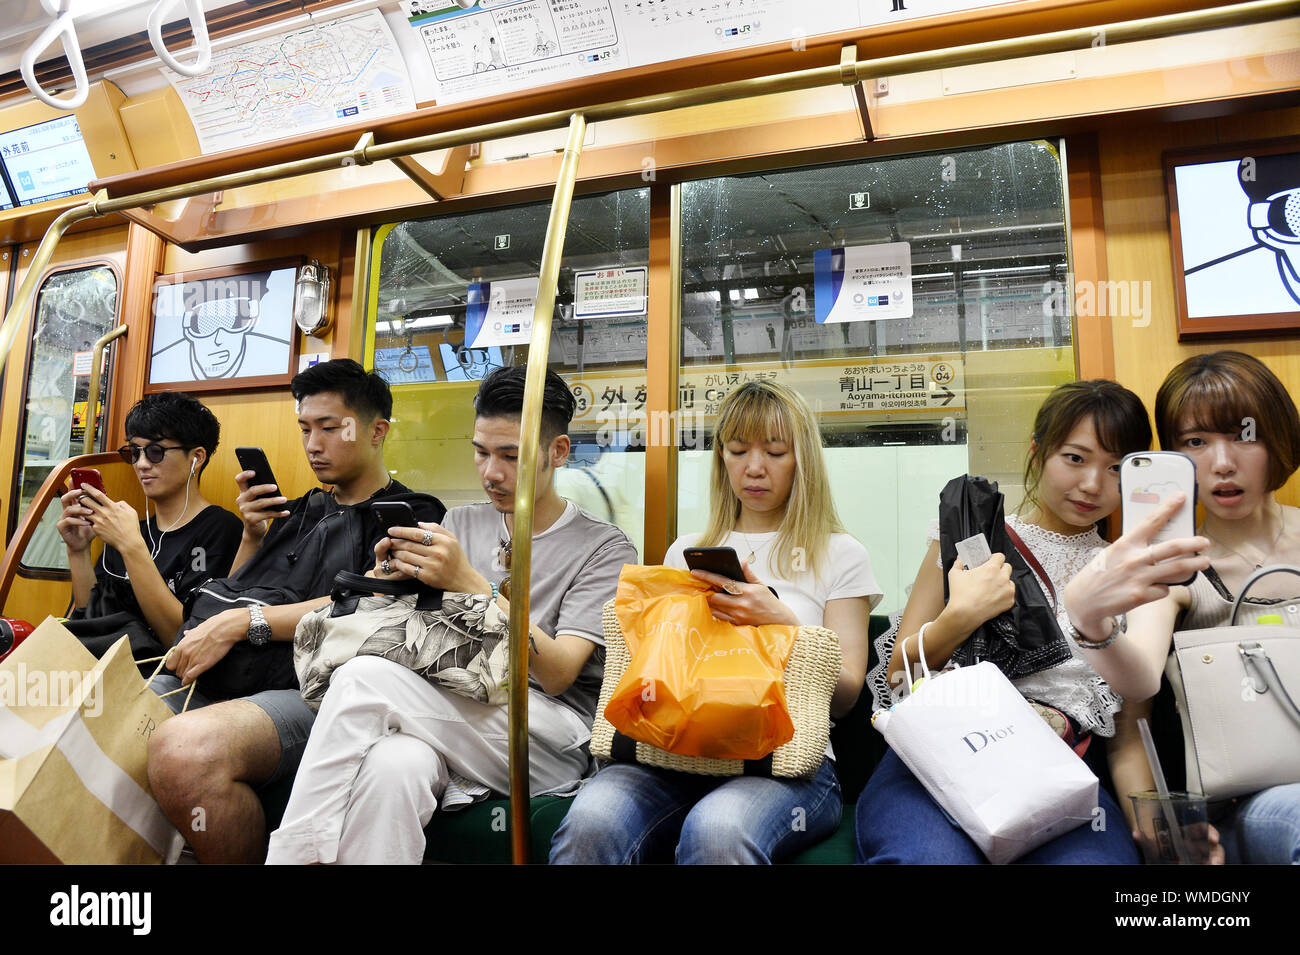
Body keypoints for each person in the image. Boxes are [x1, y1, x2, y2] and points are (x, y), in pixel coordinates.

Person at [265, 365, 636, 865]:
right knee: (392, 768)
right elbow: (426, 631)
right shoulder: (461, 522)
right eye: (481, 452)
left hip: (551, 734)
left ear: (559, 452)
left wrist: (475, 587)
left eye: (511, 456)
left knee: (362, 678)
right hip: (456, 705)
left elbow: (558, 674)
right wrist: (390, 582)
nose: (492, 473)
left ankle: (293, 856)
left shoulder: (604, 546)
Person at [550, 379, 879, 864]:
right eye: (738, 450)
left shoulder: (839, 553)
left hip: (788, 762)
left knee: (719, 830)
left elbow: (848, 697)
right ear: (721, 457)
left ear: (802, 460)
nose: (754, 468)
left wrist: (781, 623)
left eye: (775, 452)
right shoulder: (687, 550)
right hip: (677, 750)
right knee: (591, 821)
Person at [146, 359, 445, 864]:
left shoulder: (414, 514)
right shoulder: (303, 508)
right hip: (242, 672)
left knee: (188, 750)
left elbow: (373, 607)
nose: (312, 443)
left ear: (377, 431)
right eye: (305, 428)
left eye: (330, 428)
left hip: (320, 691)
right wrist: (252, 536)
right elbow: (241, 588)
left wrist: (245, 622)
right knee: (117, 721)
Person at [855, 380, 1159, 864]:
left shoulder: (1132, 574)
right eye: (1075, 458)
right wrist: (961, 616)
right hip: (939, 767)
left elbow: (1127, 737)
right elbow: (897, 676)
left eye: (1117, 468)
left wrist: (1155, 830)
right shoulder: (968, 537)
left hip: (1058, 773)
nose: (1092, 485)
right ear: (1038, 453)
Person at [1062, 351, 1300, 864]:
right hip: (1253, 804)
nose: (1222, 463)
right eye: (1195, 442)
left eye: (1244, 434)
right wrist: (1090, 622)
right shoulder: (1173, 571)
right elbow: (1138, 693)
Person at [57, 393, 242, 668]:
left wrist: (131, 546)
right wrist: (78, 551)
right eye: (134, 452)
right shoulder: (129, 528)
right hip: (105, 668)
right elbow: (93, 621)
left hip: (161, 677)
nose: (142, 464)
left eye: (156, 451)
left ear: (196, 458)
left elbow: (181, 638)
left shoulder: (220, 529)